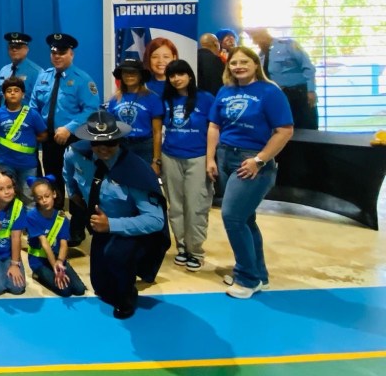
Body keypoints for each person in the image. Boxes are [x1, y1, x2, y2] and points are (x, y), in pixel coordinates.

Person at [207, 46, 293, 299]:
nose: (239, 66)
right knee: (245, 219)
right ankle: (259, 275)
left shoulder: (270, 92)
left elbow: (285, 131)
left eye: (244, 61)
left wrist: (259, 160)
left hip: (252, 161)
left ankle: (247, 278)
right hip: (225, 156)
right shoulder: (225, 91)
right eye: (234, 63)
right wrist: (210, 158)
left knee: (232, 217)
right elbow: (214, 125)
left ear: (256, 64)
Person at [65, 111, 169, 319]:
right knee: (101, 287)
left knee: (116, 259)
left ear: (119, 140)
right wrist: (73, 192)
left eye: (110, 142)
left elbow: (156, 220)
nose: (103, 148)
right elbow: (68, 171)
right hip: (101, 226)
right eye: (97, 143)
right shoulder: (75, 154)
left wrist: (111, 225)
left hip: (131, 228)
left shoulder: (135, 171)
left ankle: (128, 296)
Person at [29, 33, 100, 247]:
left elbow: (91, 110)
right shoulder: (44, 77)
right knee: (53, 182)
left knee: (76, 183)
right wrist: (37, 127)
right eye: (54, 52)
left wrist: (69, 128)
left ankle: (77, 228)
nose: (57, 56)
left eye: (62, 52)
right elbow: (34, 105)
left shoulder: (83, 79)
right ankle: (56, 223)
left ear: (71, 54)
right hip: (49, 140)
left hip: (74, 141)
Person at [161, 60, 216, 272]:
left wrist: (211, 159)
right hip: (170, 157)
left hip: (198, 157)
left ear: (190, 75)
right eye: (172, 75)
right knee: (175, 206)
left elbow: (214, 128)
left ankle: (196, 251)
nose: (176, 79)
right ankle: (182, 248)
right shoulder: (166, 99)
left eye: (180, 74)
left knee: (196, 205)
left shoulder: (206, 98)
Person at [245, 27, 318, 130]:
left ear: (265, 34)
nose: (255, 41)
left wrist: (311, 91)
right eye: (252, 38)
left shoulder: (288, 46)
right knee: (284, 129)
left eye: (256, 37)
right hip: (279, 97)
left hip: (299, 95)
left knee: (307, 129)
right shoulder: (261, 56)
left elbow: (308, 68)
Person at [25, 176, 86, 297]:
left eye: (47, 196)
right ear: (36, 200)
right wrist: (54, 267)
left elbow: (63, 244)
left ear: (54, 194)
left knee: (79, 289)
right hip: (39, 260)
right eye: (40, 198)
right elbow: (45, 244)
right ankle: (38, 274)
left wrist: (60, 262)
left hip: (58, 258)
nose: (44, 200)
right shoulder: (32, 216)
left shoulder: (61, 217)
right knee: (65, 291)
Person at [0, 77, 48, 200]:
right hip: (6, 163)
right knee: (7, 197)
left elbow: (43, 135)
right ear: (4, 95)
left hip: (28, 164)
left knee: (28, 197)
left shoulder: (32, 114)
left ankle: (27, 214)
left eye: (16, 90)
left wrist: (29, 140)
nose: (12, 93)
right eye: (9, 91)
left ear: (23, 94)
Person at [106, 58, 164, 174]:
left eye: (133, 72)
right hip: (121, 146)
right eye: (125, 72)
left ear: (141, 76)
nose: (129, 75)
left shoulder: (153, 98)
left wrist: (156, 160)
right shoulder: (114, 99)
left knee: (144, 181)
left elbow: (157, 132)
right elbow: (111, 128)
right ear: (121, 76)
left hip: (144, 147)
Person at [0, 32, 44, 109]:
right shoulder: (3, 71)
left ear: (26, 49)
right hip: (3, 115)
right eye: (11, 47)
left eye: (18, 47)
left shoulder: (37, 73)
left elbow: (41, 102)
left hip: (26, 115)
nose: (14, 49)